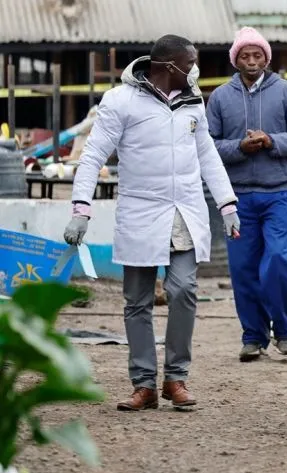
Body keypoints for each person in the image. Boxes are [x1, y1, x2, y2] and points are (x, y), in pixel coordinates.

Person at [63, 34, 239, 410]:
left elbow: (207, 153)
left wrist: (227, 204)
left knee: (184, 290)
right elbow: (93, 156)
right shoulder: (120, 101)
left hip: (184, 211)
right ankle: (143, 384)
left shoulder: (194, 101)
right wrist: (80, 209)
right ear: (169, 66)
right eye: (190, 63)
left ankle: (176, 378)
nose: (195, 70)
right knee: (137, 301)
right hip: (140, 213)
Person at [206, 27, 287, 361]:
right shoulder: (220, 97)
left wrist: (272, 141)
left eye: (257, 55)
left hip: (278, 194)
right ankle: (253, 336)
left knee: (277, 261)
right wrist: (239, 148)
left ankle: (283, 329)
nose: (252, 61)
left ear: (266, 58)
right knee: (243, 269)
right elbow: (208, 146)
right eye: (245, 56)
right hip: (237, 199)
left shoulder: (285, 91)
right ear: (235, 60)